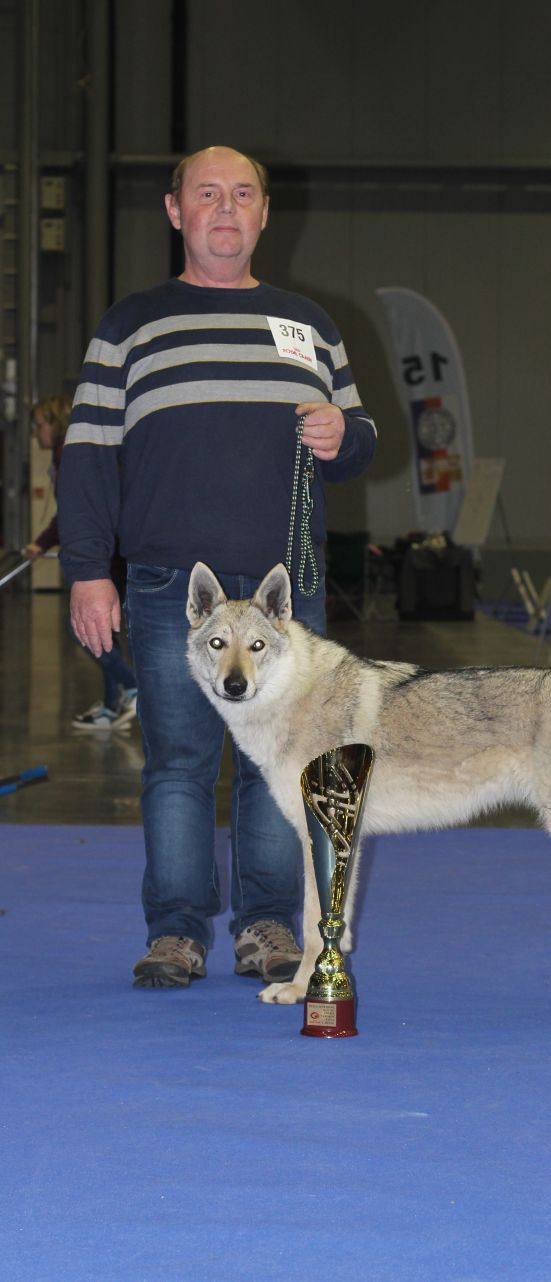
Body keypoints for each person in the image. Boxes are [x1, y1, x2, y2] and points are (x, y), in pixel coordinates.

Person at [58, 145, 377, 990]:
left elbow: (358, 438)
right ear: (175, 212)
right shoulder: (130, 324)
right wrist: (88, 570)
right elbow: (88, 452)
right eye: (208, 194)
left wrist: (348, 438)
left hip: (284, 600)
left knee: (284, 765)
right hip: (172, 591)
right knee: (177, 764)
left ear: (265, 214)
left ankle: (270, 927)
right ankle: (176, 934)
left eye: (243, 194)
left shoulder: (310, 325)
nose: (226, 208)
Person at [24, 395, 138, 731]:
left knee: (85, 630)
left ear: (56, 423)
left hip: (110, 557)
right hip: (111, 553)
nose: (35, 433)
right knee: (103, 633)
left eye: (39, 425)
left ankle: (132, 687)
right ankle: (109, 706)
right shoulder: (61, 457)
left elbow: (77, 511)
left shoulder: (68, 453)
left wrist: (42, 541)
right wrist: (40, 543)